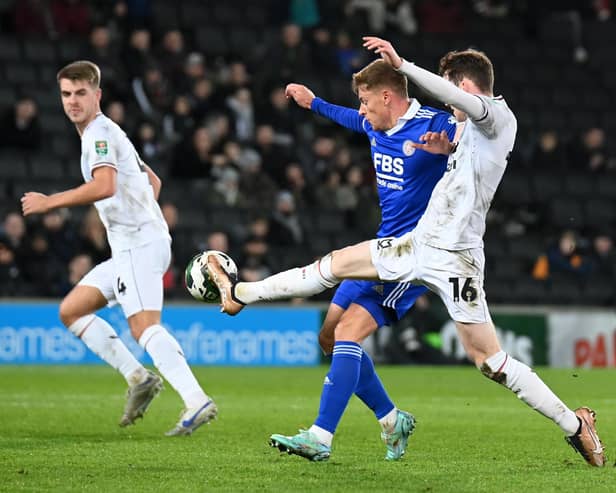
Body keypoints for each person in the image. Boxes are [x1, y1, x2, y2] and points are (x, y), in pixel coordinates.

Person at [207, 38, 605, 467]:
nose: (448, 106)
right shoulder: (464, 131)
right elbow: (462, 151)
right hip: (416, 245)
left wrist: (403, 65)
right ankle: (240, 294)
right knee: (336, 264)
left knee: (489, 361)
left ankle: (574, 424)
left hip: (458, 258)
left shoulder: (497, 117)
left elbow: (458, 102)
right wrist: (447, 150)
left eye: (453, 93)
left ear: (467, 88)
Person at [21, 60, 217, 436]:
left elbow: (105, 185)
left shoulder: (98, 134)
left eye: (81, 93)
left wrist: (50, 202)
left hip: (139, 245)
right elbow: (152, 180)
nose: (73, 101)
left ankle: (196, 400)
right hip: (134, 244)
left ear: (98, 95)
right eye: (66, 94)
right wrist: (144, 218)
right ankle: (139, 378)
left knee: (144, 328)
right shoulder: (107, 131)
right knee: (73, 310)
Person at [277, 65, 456, 461]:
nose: (361, 109)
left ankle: (320, 437)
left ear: (387, 97)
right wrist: (314, 103)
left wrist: (453, 148)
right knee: (329, 337)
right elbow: (348, 118)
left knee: (349, 334)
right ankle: (392, 419)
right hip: (378, 250)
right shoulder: (375, 125)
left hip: (409, 259)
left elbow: (477, 137)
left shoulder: (434, 125)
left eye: (365, 100)